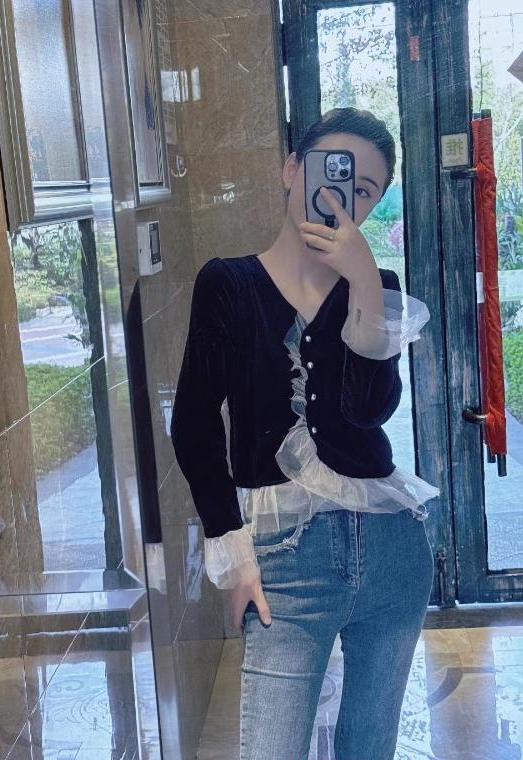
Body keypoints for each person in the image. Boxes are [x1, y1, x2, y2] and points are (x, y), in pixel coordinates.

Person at [170, 107, 439, 760]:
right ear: (292, 169)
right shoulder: (228, 283)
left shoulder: (377, 286)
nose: (344, 197)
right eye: (331, 172)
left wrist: (365, 280)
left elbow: (370, 411)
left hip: (392, 554)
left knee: (368, 749)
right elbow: (194, 424)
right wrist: (233, 554)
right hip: (283, 563)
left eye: (364, 189)